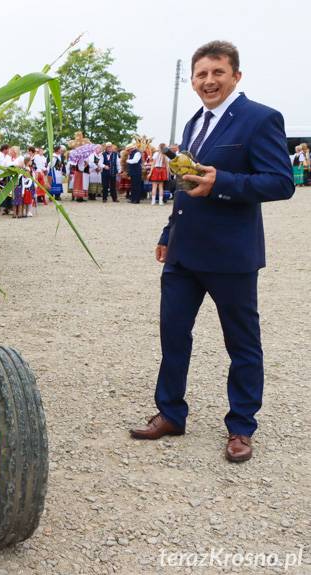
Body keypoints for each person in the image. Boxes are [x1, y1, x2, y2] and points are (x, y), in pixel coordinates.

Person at [129, 40, 294, 463]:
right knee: (173, 335)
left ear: (236, 75)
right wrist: (168, 232)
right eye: (201, 74)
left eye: (217, 72)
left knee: (242, 343)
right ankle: (171, 413)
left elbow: (280, 182)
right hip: (183, 253)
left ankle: (241, 426)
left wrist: (223, 182)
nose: (209, 81)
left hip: (230, 255)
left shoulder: (260, 118)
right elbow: (188, 183)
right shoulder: (194, 123)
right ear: (192, 80)